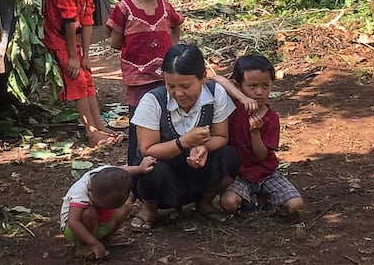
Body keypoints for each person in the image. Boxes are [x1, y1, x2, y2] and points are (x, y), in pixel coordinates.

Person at [129, 43, 241, 230]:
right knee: (150, 166)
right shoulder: (152, 101)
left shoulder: (216, 94)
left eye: (186, 86)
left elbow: (221, 136)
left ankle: (204, 201)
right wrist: (184, 142)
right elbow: (146, 149)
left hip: (198, 171)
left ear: (203, 77)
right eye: (170, 85)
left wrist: (204, 147)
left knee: (229, 156)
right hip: (164, 174)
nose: (178, 93)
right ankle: (149, 207)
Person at [106, 0, 183, 163]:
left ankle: (163, 167)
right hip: (138, 80)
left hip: (165, 77)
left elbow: (176, 25)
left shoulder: (165, 6)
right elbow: (115, 42)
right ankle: (136, 173)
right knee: (139, 123)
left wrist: (172, 51)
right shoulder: (124, 9)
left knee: (166, 120)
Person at [43, 0, 122, 147]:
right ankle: (91, 132)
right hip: (57, 37)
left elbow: (87, 20)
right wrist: (72, 56)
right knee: (76, 79)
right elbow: (69, 23)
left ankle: (99, 126)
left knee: (87, 78)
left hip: (73, 40)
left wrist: (86, 55)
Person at [220, 54, 304, 215]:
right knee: (228, 203)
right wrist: (242, 98)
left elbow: (261, 155)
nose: (259, 92)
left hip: (266, 172)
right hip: (240, 173)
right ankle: (253, 199)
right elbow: (217, 79)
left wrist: (255, 133)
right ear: (238, 86)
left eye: (265, 86)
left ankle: (262, 198)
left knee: (295, 205)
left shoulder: (271, 118)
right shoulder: (234, 106)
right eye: (252, 86)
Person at [60, 156, 157, 259]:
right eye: (99, 204)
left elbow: (122, 172)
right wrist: (93, 243)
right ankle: (83, 245)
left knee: (127, 205)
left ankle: (106, 237)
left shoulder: (105, 173)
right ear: (90, 189)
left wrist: (139, 168)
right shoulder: (79, 195)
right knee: (89, 212)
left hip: (100, 223)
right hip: (76, 230)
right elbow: (73, 222)